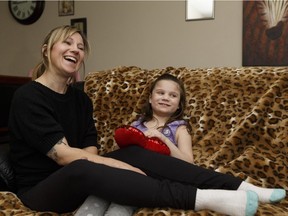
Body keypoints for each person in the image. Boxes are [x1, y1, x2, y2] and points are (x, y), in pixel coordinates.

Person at [8, 25, 286, 216]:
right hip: (40, 191)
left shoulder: (81, 99)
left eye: (81, 46)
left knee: (135, 153)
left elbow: (89, 147)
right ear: (47, 49)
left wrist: (119, 163)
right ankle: (208, 199)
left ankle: (240, 186)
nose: (76, 50)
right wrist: (116, 166)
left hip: (79, 178)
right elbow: (65, 156)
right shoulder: (28, 96)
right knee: (85, 168)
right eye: (67, 43)